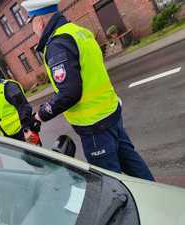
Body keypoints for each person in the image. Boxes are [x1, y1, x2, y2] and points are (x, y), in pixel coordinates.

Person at [21, 0, 154, 181]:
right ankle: (158, 198)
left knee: (110, 182)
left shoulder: (57, 44)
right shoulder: (78, 32)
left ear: (40, 22)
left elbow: (69, 92)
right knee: (133, 164)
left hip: (94, 126)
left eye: (32, 25)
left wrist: (40, 115)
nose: (34, 31)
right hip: (110, 112)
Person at [0, 65, 41, 145]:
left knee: (37, 157)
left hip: (24, 134)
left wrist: (26, 130)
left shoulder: (8, 87)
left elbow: (23, 108)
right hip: (10, 138)